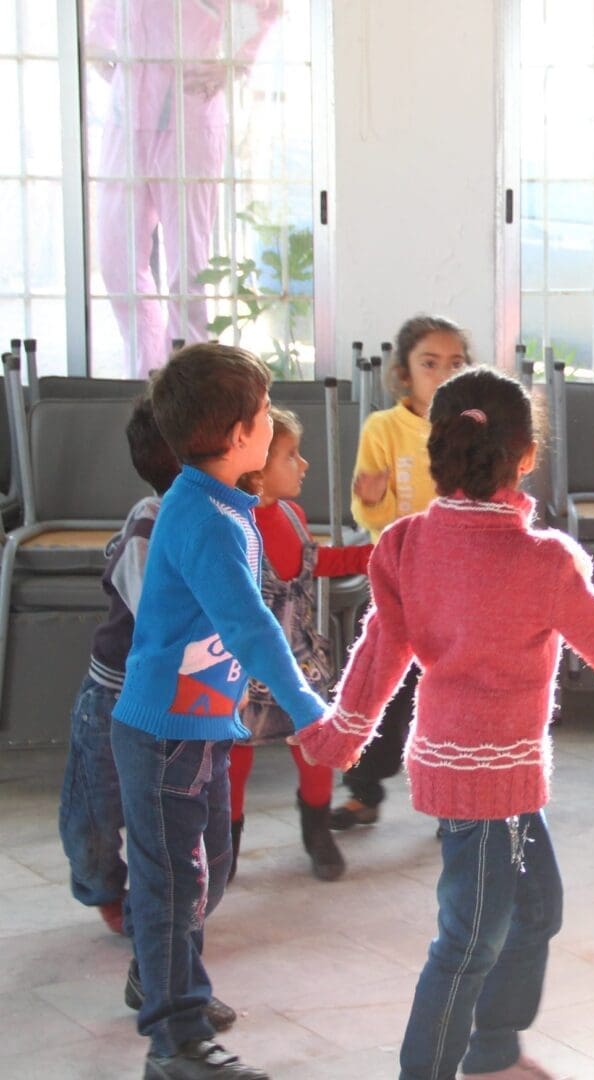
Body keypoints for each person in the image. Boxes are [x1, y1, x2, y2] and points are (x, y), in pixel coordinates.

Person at [293, 366, 594, 1080]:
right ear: (528, 456)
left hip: (483, 775)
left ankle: (494, 1051)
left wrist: (342, 734)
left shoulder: (407, 543)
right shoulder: (540, 560)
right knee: (469, 941)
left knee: (536, 911)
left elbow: (379, 655)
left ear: (435, 446)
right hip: (485, 781)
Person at [112, 343, 331, 1080]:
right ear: (240, 433)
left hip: (198, 728)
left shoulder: (222, 504)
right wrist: (306, 710)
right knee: (175, 880)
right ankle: (175, 1044)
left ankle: (165, 979)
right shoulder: (204, 517)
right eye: (266, 413)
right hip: (164, 733)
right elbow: (247, 625)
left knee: (206, 869)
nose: (272, 423)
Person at [83, 0, 283, 374]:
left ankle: (188, 379)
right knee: (117, 262)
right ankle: (146, 372)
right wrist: (97, 43)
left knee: (188, 268)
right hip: (126, 116)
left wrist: (234, 64)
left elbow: (268, 6)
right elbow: (108, 11)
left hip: (190, 114)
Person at [331, 315, 472, 830]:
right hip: (399, 584)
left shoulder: (471, 428)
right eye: (429, 364)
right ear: (405, 375)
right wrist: (373, 499)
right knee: (383, 687)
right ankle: (363, 792)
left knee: (451, 693)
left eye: (455, 364)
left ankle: (452, 799)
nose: (443, 374)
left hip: (459, 586)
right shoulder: (383, 428)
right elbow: (369, 516)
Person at [229, 407, 373, 882]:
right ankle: (224, 845)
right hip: (245, 667)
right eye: (291, 455)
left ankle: (317, 831)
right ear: (255, 468)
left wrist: (373, 554)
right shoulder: (233, 525)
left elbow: (314, 562)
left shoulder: (291, 514)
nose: (304, 464)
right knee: (233, 757)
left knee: (315, 749)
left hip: (300, 662)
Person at [59, 395, 180, 938]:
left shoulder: (225, 517)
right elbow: (155, 614)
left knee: (165, 808)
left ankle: (156, 899)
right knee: (99, 813)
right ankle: (104, 887)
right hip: (113, 698)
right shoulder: (150, 522)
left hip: (170, 698)